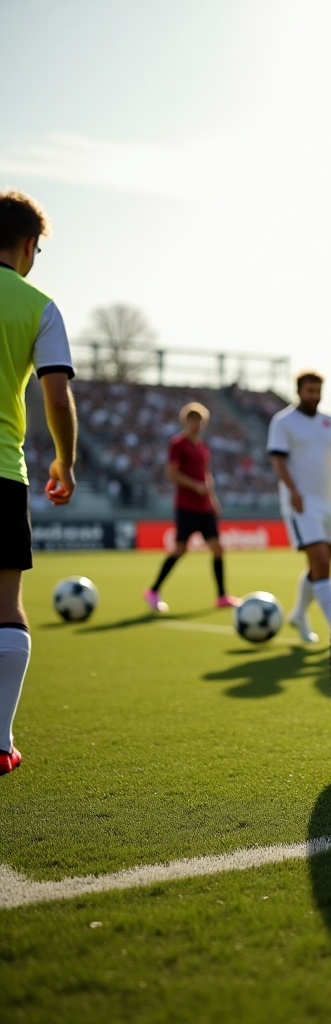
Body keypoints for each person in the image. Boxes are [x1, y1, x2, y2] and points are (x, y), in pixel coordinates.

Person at [0, 190, 78, 776]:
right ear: (29, 244)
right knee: (7, 604)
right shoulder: (39, 304)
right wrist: (64, 463)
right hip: (2, 471)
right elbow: (57, 394)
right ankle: (0, 741)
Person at [267, 371, 331, 644]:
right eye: (309, 391)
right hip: (303, 503)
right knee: (322, 563)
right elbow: (277, 460)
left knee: (322, 564)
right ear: (299, 391)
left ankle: (299, 613)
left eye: (317, 391)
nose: (314, 396)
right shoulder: (283, 422)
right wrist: (293, 491)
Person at [143, 403, 239, 613]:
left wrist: (213, 499)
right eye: (193, 420)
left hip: (205, 508)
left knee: (217, 548)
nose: (197, 425)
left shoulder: (203, 448)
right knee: (180, 549)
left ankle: (222, 596)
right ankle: (153, 591)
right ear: (185, 421)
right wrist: (194, 486)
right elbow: (172, 473)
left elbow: (206, 475)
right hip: (186, 507)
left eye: (200, 421)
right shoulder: (178, 444)